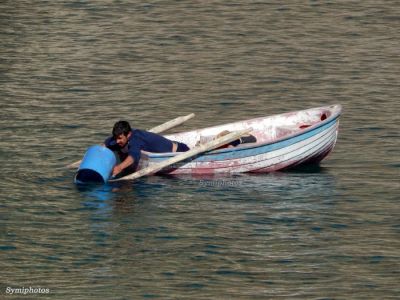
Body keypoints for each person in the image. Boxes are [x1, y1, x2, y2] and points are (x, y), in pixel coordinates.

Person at [104, 121, 190, 178]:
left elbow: (132, 157)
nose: (117, 141)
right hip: (167, 145)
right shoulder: (123, 135)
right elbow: (104, 145)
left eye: (120, 138)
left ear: (129, 134)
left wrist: (119, 167)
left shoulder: (136, 139)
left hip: (180, 150)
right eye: (116, 138)